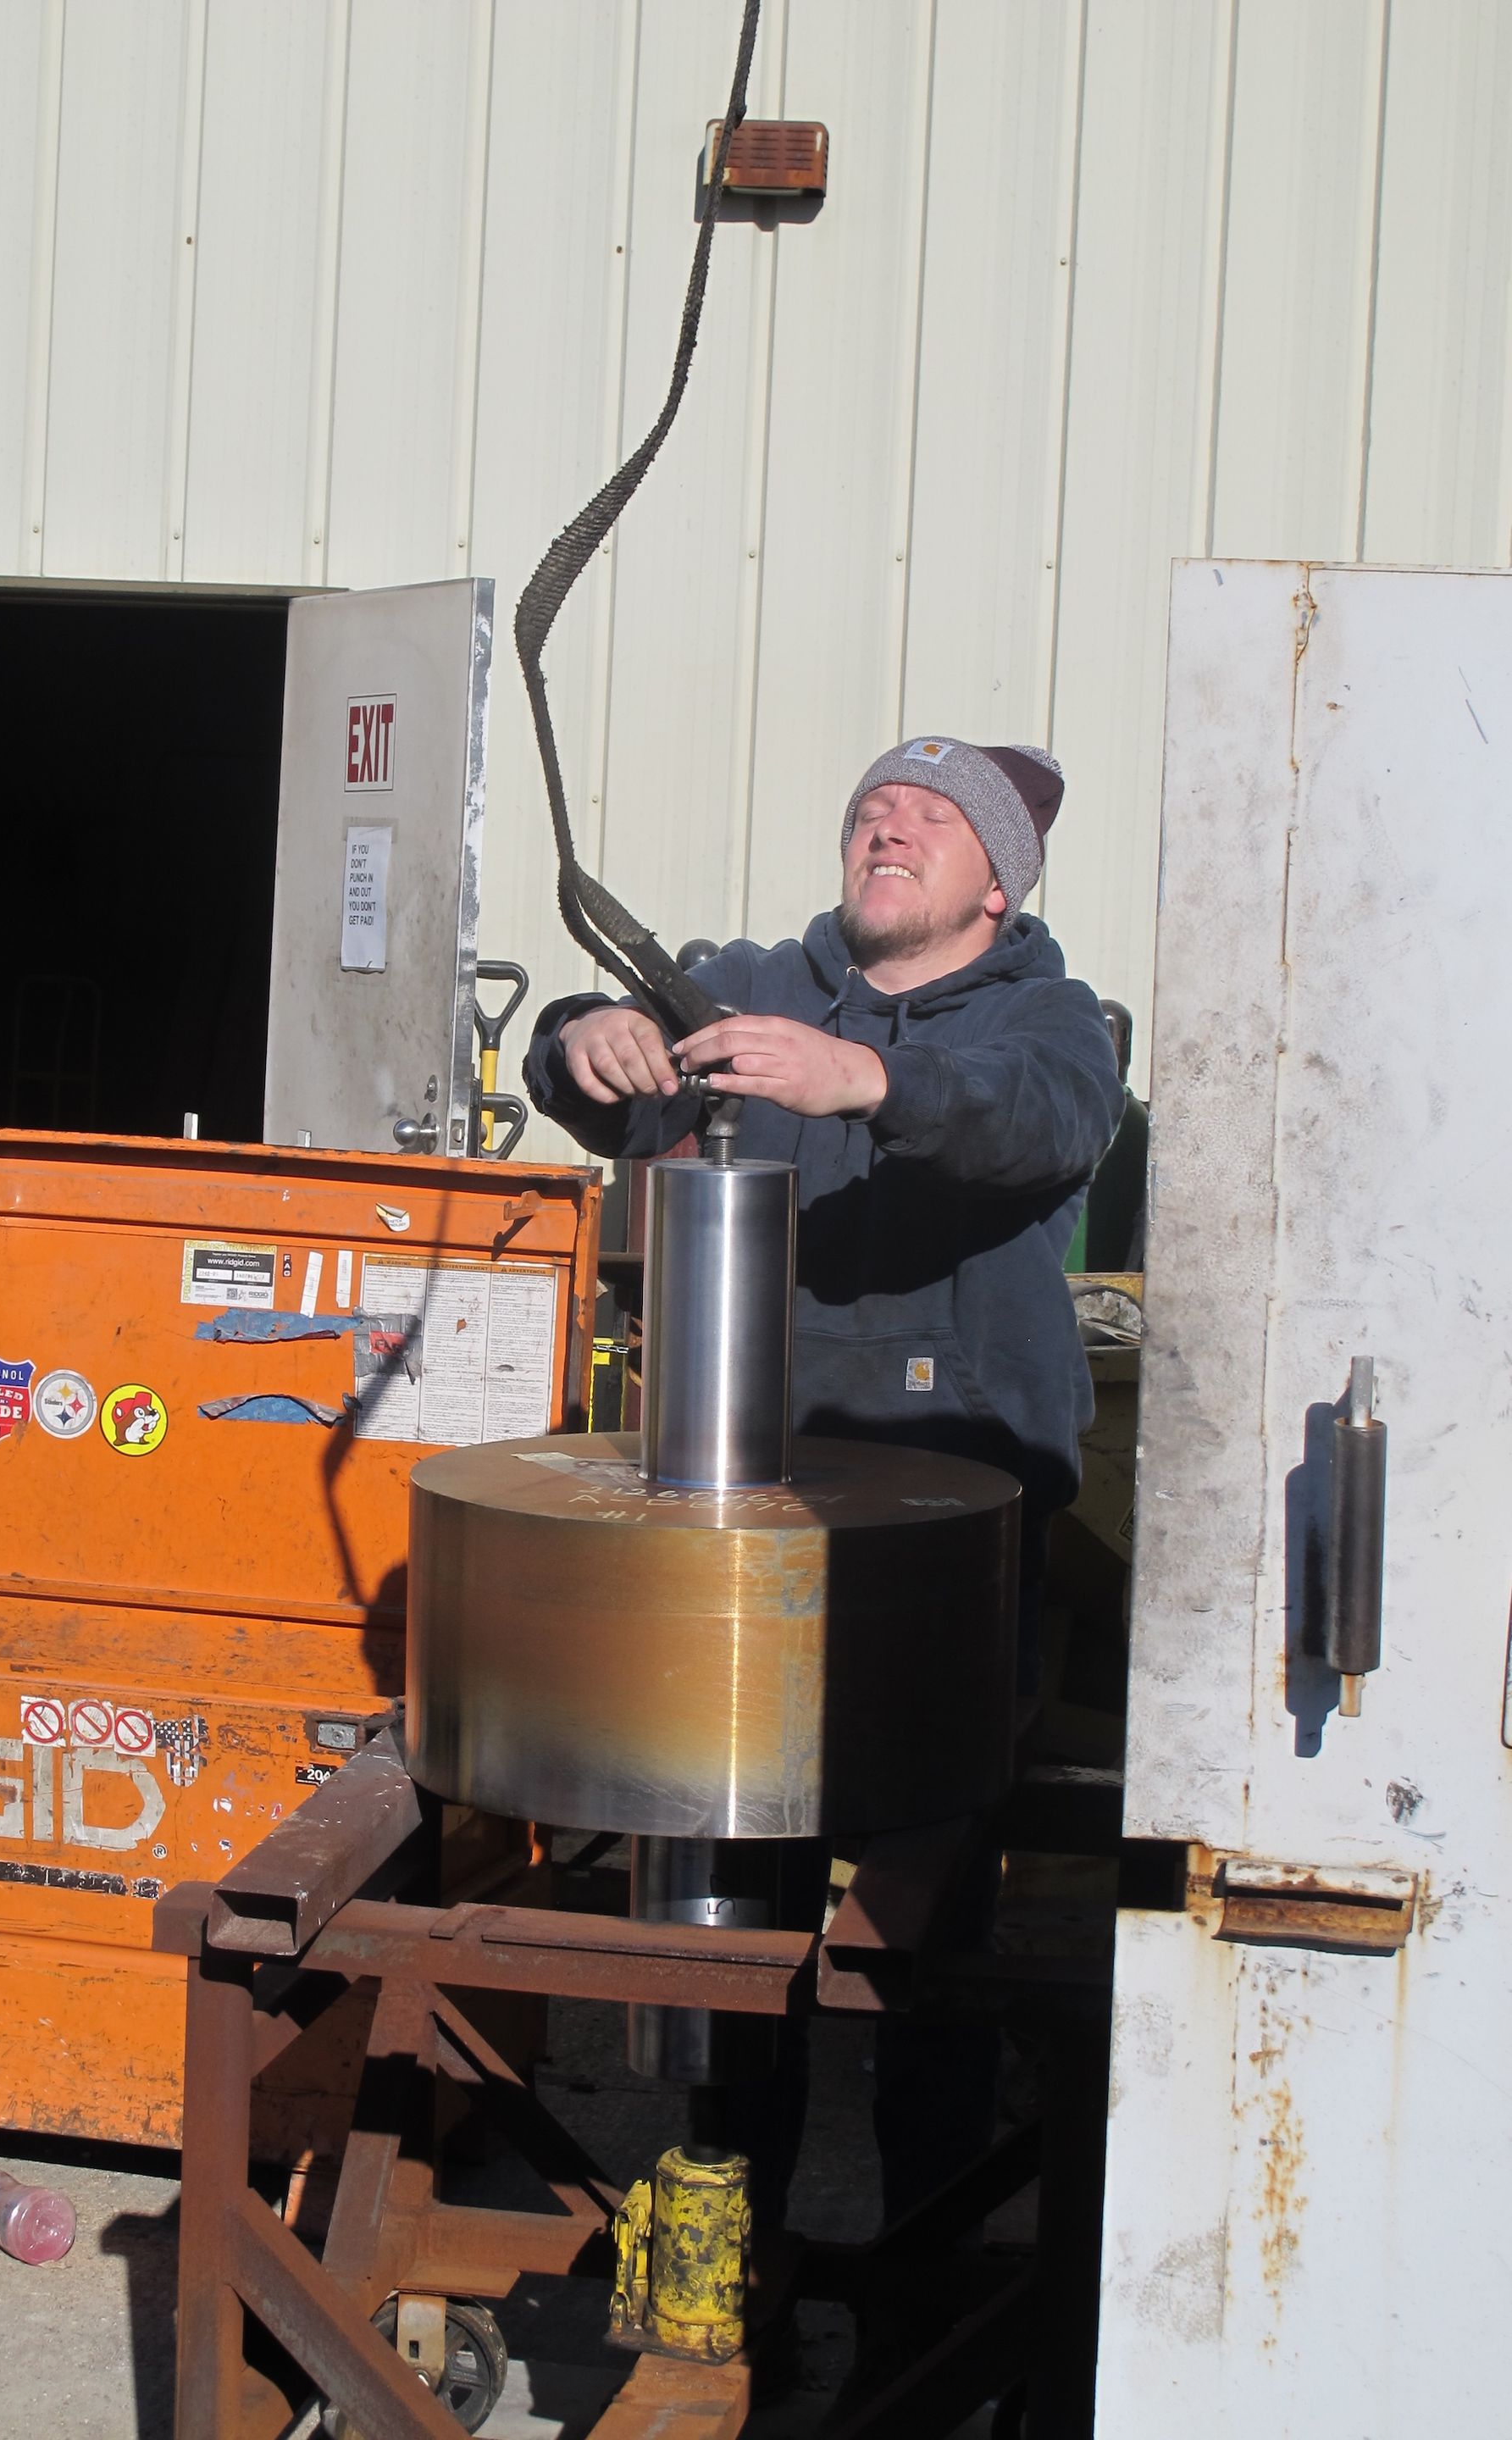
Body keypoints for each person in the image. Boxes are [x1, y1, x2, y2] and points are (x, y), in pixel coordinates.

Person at [523, 734, 1124, 2222]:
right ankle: (730, 2236)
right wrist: (583, 1037)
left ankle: (925, 2266)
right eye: (870, 809)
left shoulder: (1047, 1019)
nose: (888, 828)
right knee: (734, 1913)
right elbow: (599, 1075)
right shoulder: (748, 982)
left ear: (1000, 884)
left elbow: (1039, 1122)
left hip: (949, 1529)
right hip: (752, 1517)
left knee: (928, 1937)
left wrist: (866, 1077)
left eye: (929, 818)